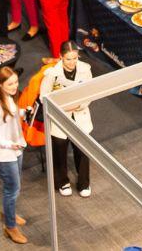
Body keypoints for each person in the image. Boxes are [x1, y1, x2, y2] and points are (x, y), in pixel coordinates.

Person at [0, 67, 30, 244]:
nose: (15, 86)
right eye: (10, 84)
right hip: (4, 152)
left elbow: (11, 114)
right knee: (12, 189)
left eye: (16, 82)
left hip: (16, 145)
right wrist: (9, 144)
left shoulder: (7, 96)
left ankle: (8, 212)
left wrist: (24, 113)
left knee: (13, 187)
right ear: (0, 84)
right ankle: (10, 227)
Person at [40, 42, 93, 197]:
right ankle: (62, 182)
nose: (72, 62)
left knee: (82, 150)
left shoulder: (85, 69)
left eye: (75, 58)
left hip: (80, 114)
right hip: (59, 117)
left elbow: (90, 91)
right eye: (68, 59)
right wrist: (62, 108)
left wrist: (79, 105)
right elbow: (44, 97)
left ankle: (84, 183)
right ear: (60, 57)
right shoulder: (52, 73)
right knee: (60, 151)